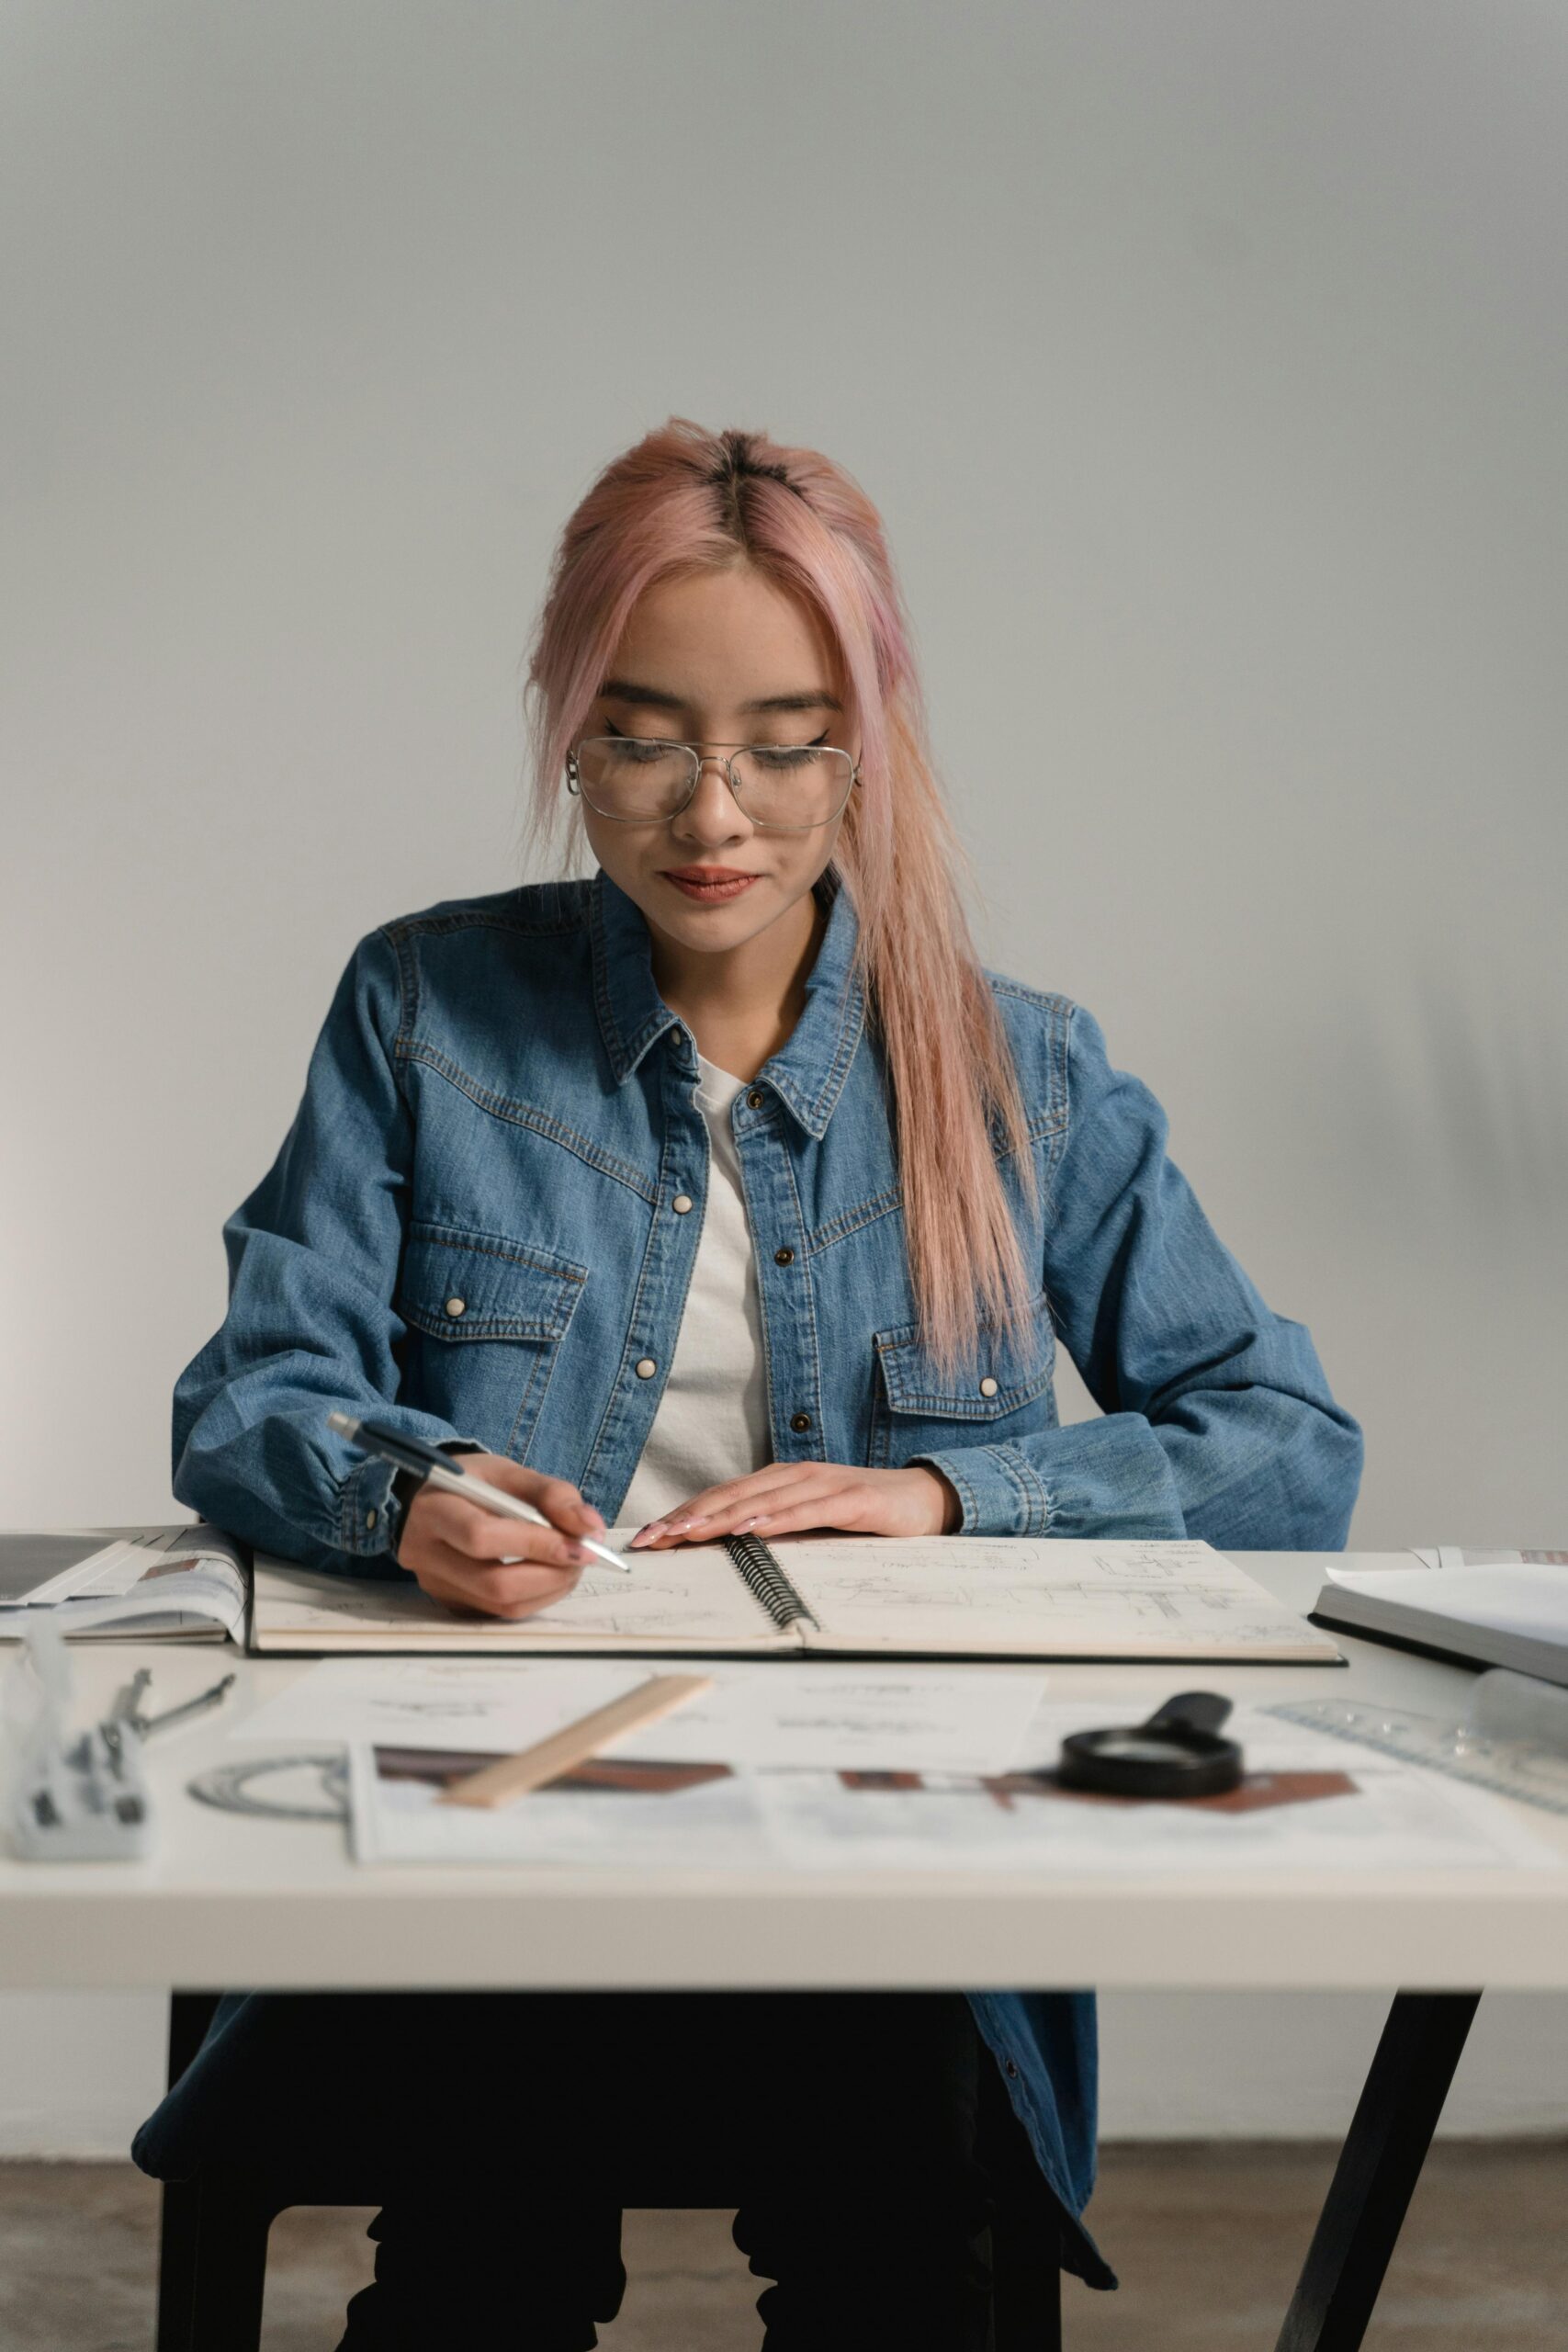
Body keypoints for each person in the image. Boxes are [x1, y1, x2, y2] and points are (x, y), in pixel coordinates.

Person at [131, 418, 1364, 2348]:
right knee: (479, 2272)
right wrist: (408, 1487)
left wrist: (954, 1495)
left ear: (864, 746)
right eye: (643, 733)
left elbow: (1284, 1448)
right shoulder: (425, 1008)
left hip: (891, 1858)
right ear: (569, 732)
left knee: (906, 2268)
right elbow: (251, 1393)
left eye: (784, 738)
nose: (714, 805)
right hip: (510, 1840)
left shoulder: (1015, 1070)